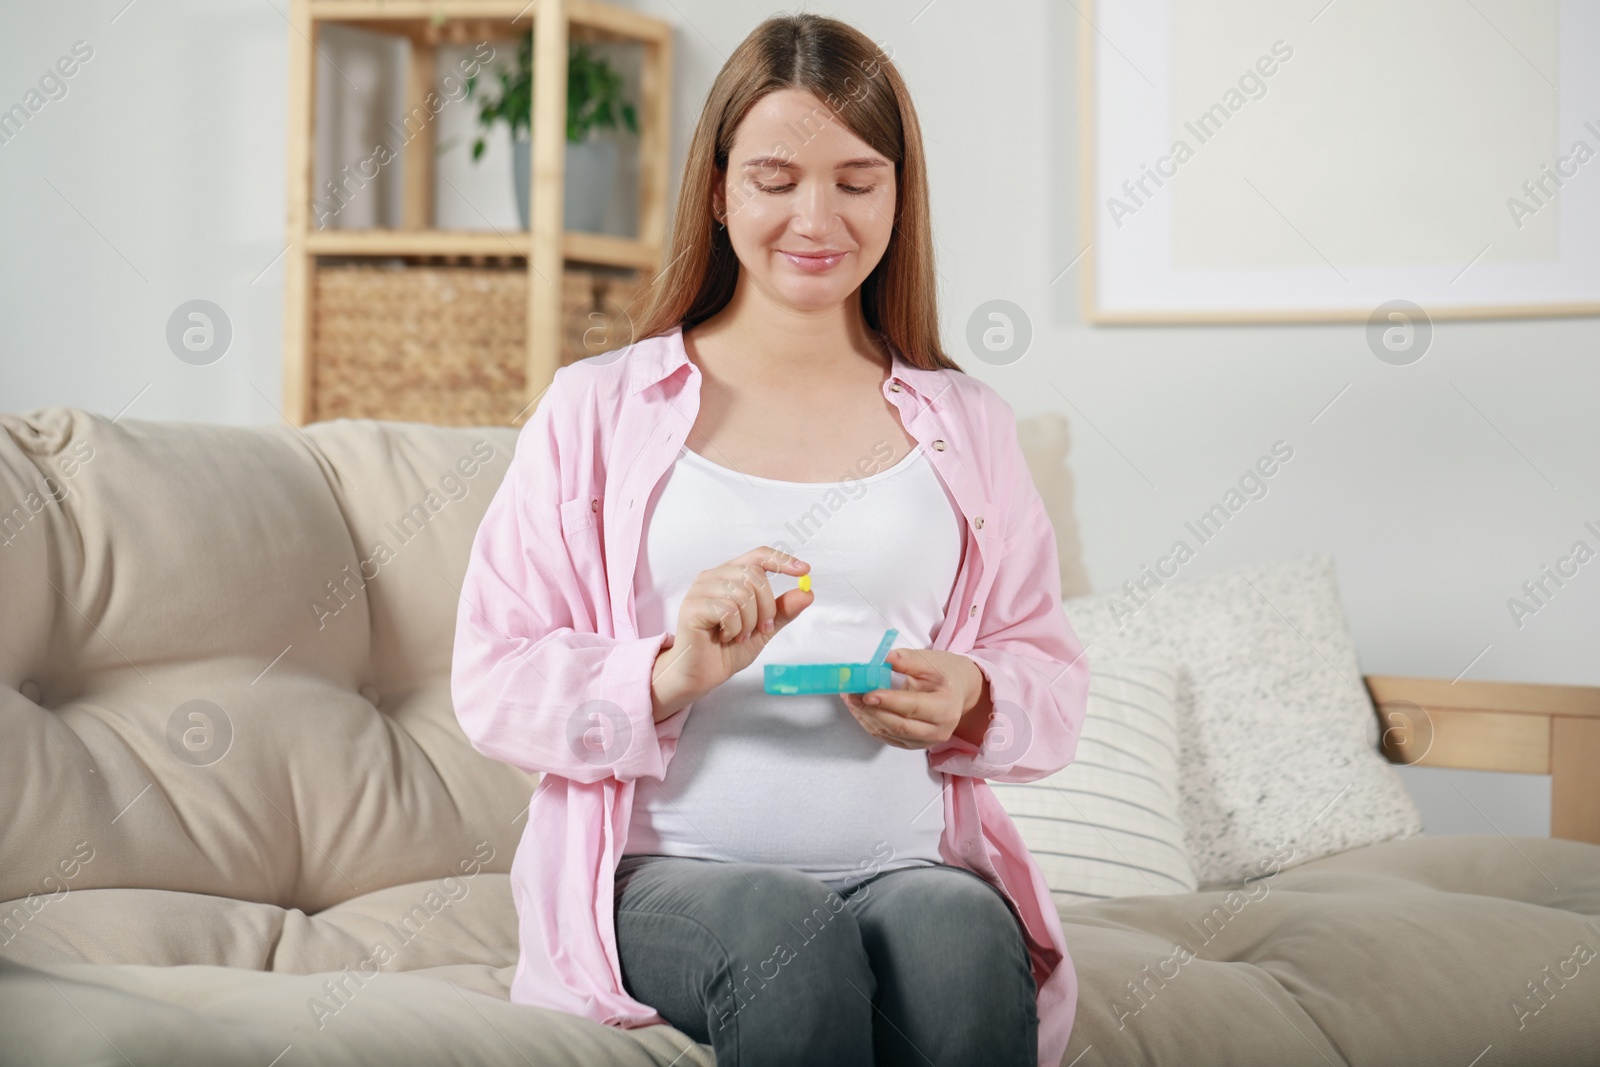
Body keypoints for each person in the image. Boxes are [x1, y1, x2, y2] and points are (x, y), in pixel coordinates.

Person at [450, 13, 1089, 1067]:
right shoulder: (595, 411)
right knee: (786, 930)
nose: (817, 215)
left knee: (971, 930)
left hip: (903, 864)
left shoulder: (965, 423)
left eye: (855, 178)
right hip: (667, 875)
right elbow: (494, 672)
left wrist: (970, 695)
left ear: (897, 192)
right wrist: (668, 668)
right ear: (718, 189)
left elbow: (1046, 670)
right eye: (775, 176)